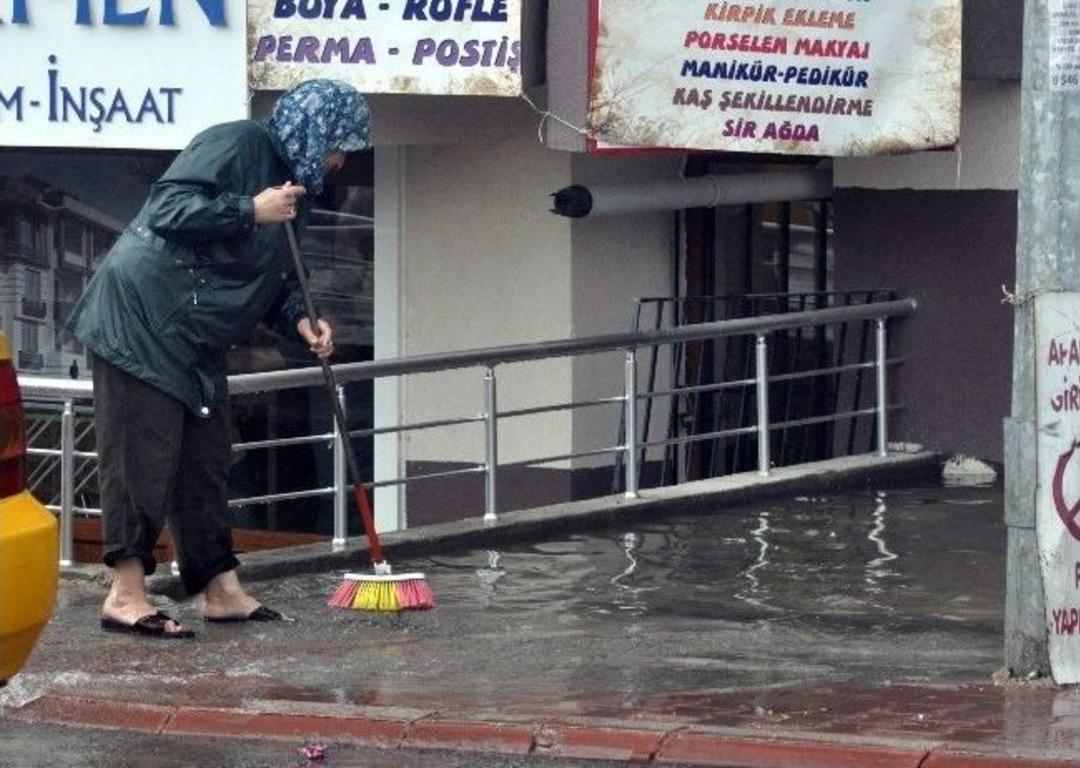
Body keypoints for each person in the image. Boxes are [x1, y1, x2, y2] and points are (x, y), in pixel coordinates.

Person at [68, 79, 371, 638]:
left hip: (197, 333)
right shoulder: (237, 143)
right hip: (141, 319)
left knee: (206, 459)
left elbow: (275, 277)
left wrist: (301, 320)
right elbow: (168, 207)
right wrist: (249, 208)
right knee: (142, 458)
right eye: (339, 143)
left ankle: (220, 588)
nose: (340, 158)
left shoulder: (294, 196)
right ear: (315, 127)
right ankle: (125, 594)